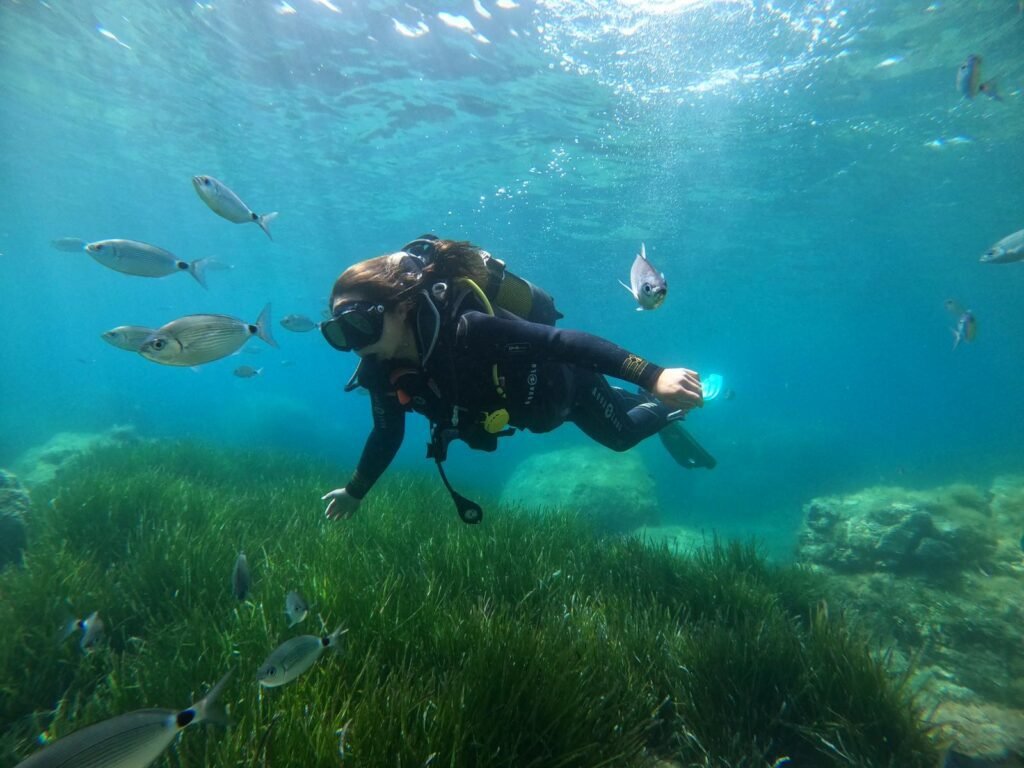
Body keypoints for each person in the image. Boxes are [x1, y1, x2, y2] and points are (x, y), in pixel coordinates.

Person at [320, 236, 715, 524]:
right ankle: (634, 397)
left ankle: (666, 407)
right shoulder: (381, 370)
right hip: (540, 409)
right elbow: (387, 433)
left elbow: (565, 342)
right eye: (339, 333)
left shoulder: (466, 329)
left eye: (360, 323)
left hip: (570, 384)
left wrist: (655, 375)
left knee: (622, 436)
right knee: (610, 407)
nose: (354, 344)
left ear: (401, 305)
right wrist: (355, 492)